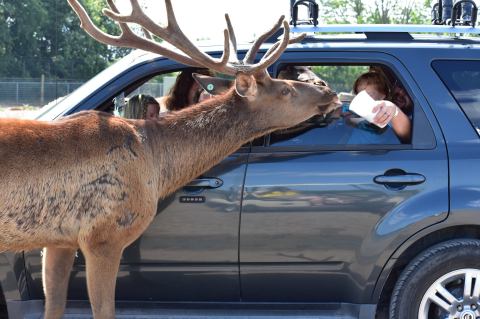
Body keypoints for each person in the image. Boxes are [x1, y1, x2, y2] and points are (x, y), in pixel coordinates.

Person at [348, 71, 412, 144]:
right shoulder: (361, 114)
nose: (363, 98)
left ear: (382, 96)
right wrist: (350, 120)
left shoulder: (387, 114)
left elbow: (407, 133)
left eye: (369, 94)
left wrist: (393, 111)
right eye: (359, 95)